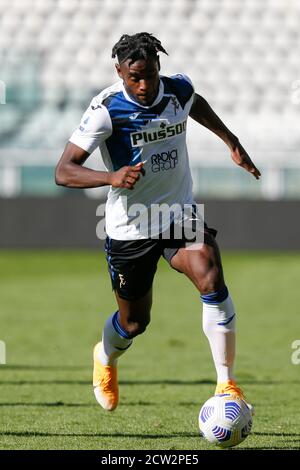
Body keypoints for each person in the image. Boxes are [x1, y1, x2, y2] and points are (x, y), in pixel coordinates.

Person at [55, 32, 260, 412]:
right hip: (130, 226)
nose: (145, 84)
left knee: (211, 276)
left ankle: (226, 385)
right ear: (119, 72)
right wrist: (110, 178)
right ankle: (106, 356)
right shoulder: (106, 109)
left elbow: (194, 103)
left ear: (159, 67)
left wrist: (230, 140)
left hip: (177, 213)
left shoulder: (177, 90)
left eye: (150, 74)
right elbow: (64, 172)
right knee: (134, 324)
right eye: (135, 77)